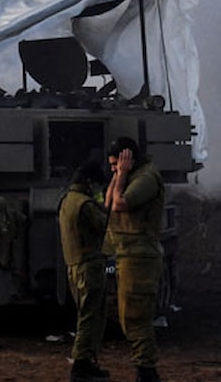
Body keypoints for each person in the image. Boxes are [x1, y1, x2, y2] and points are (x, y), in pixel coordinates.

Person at [104, 136, 166, 382]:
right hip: (127, 254)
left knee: (136, 317)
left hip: (140, 256)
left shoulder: (146, 178)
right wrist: (118, 174)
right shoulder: (129, 175)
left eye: (115, 163)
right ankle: (144, 368)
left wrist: (121, 174)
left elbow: (119, 204)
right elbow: (108, 201)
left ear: (127, 159)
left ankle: (147, 371)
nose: (113, 169)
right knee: (127, 316)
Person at [58, 156, 111, 382]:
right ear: (89, 182)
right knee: (91, 317)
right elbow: (105, 225)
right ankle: (81, 364)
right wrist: (103, 202)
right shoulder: (85, 204)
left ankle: (87, 362)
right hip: (89, 266)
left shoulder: (67, 200)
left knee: (86, 314)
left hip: (74, 266)